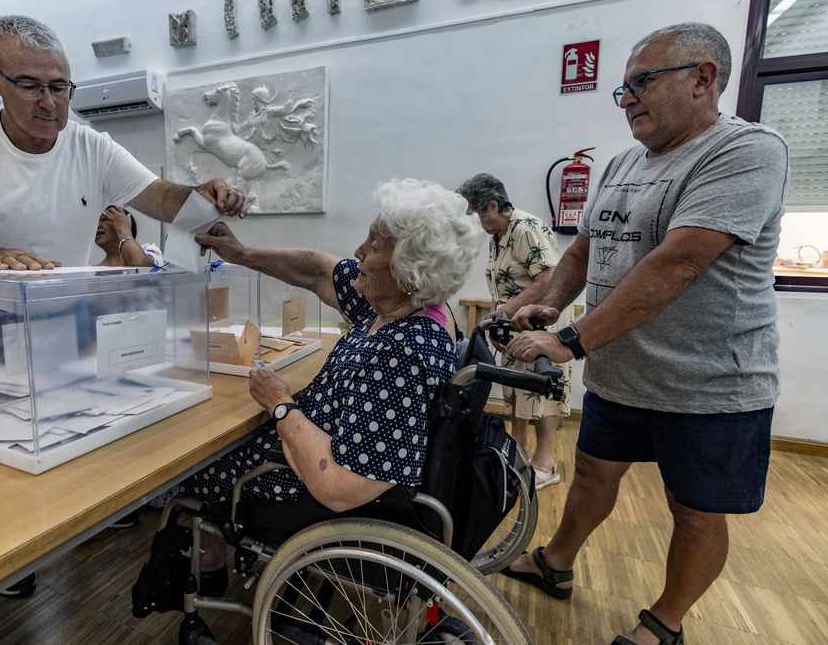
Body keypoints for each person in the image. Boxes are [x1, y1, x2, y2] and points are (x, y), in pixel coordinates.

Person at [501, 23, 788, 645]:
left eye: (641, 82)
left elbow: (679, 262)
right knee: (594, 477)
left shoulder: (745, 151)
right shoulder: (624, 162)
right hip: (623, 375)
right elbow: (581, 251)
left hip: (709, 385)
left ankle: (665, 621)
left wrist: (571, 342)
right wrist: (550, 307)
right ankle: (555, 565)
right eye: (622, 88)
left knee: (694, 511)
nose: (627, 97)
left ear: (703, 79)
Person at [184, 178, 482, 574]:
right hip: (312, 447)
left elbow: (339, 487)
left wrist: (279, 404)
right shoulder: (404, 308)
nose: (358, 251)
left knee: (201, 462)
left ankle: (203, 556)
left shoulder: (399, 353)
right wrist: (243, 254)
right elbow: (320, 271)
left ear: (409, 272)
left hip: (305, 487)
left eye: (373, 246)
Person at [0, 15, 246, 274]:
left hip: (68, 323)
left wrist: (201, 194)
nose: (49, 102)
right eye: (30, 86)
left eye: (60, 87)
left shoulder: (92, 147)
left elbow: (161, 197)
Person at [456, 173, 572, 490]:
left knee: (541, 391)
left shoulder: (526, 229)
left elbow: (548, 280)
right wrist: (499, 320)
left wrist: (503, 312)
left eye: (480, 214)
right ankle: (517, 452)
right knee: (516, 389)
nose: (478, 222)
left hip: (541, 322)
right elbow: (504, 283)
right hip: (513, 324)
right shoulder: (500, 235)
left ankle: (546, 463)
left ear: (494, 205)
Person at [93, 206, 163, 267]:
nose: (98, 225)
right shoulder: (93, 271)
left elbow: (140, 267)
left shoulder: (150, 250)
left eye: (104, 219)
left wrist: (123, 231)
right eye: (95, 221)